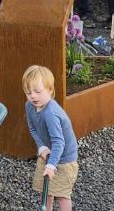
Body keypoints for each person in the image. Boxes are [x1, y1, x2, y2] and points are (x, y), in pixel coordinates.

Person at [23, 65, 78, 211]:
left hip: (64, 159)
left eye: (38, 91)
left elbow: (59, 142)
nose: (33, 96)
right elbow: (33, 128)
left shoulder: (51, 114)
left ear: (50, 90)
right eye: (28, 92)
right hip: (48, 154)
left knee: (62, 194)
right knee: (45, 190)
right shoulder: (29, 106)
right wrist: (41, 147)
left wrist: (51, 165)